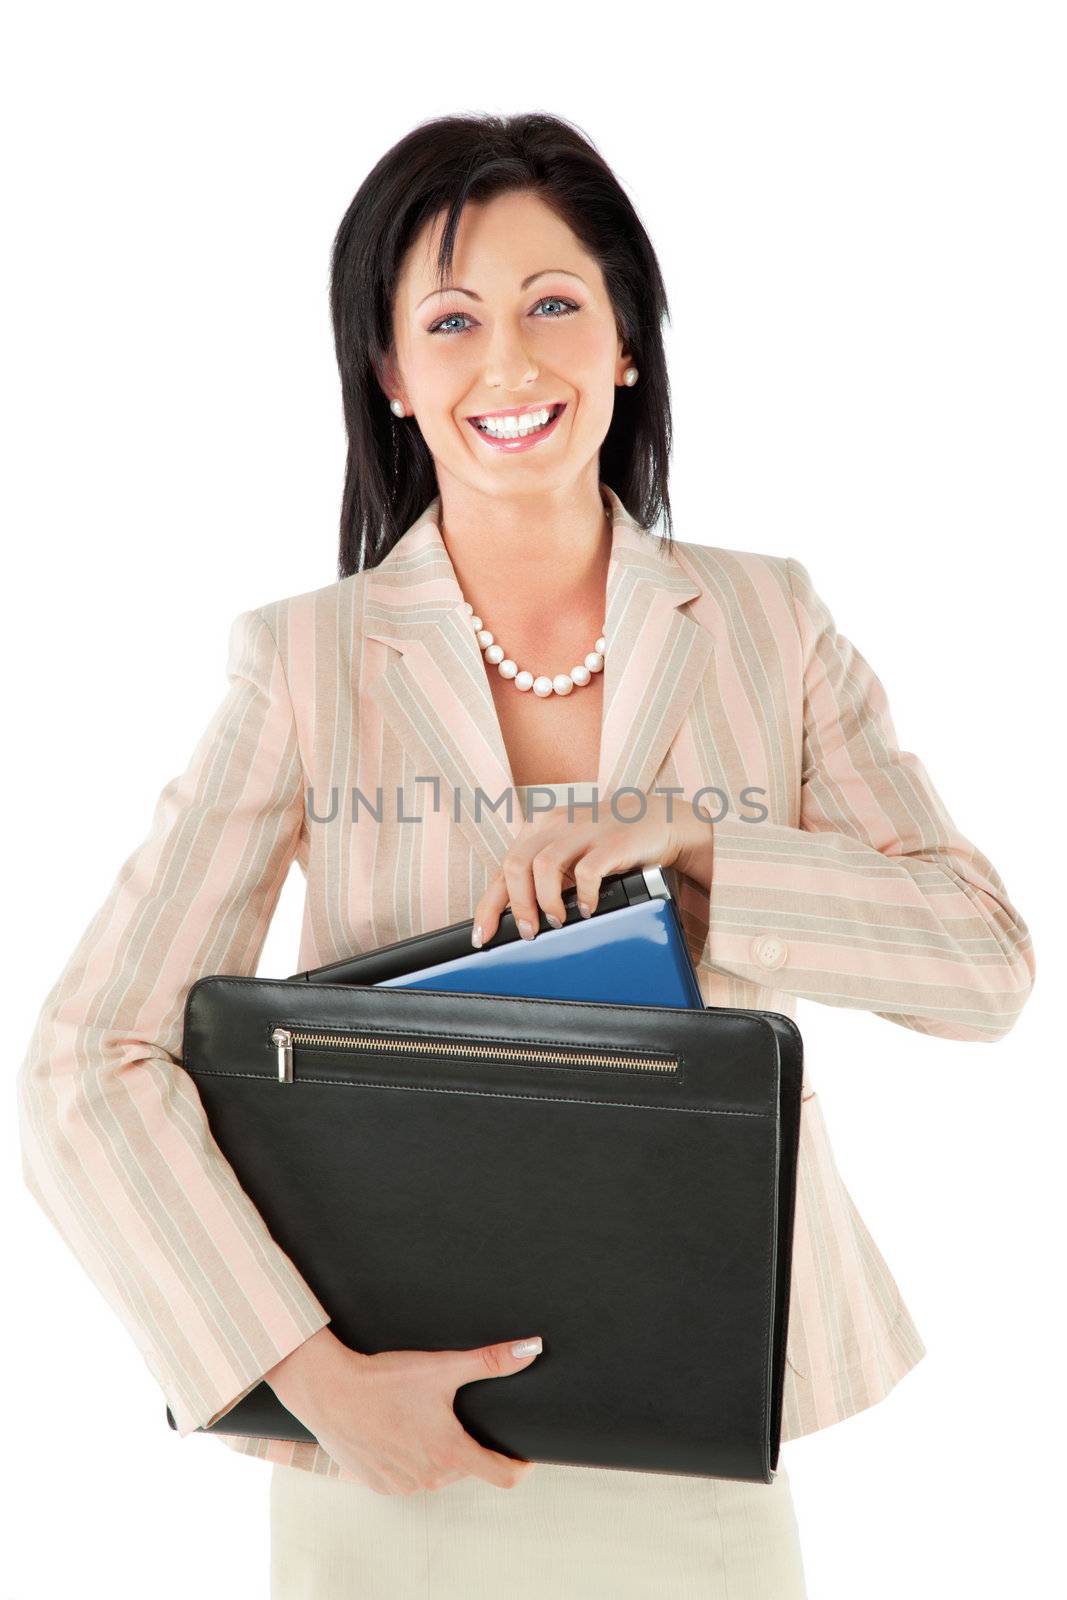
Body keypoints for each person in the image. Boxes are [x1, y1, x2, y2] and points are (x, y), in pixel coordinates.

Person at [17, 111, 1035, 1600]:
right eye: (450, 319)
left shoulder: (768, 624)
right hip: (389, 1434)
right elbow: (80, 1061)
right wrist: (306, 1374)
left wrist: (707, 844)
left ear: (628, 340)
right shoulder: (306, 665)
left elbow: (983, 965)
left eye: (555, 303)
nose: (510, 363)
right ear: (392, 376)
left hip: (691, 1437)